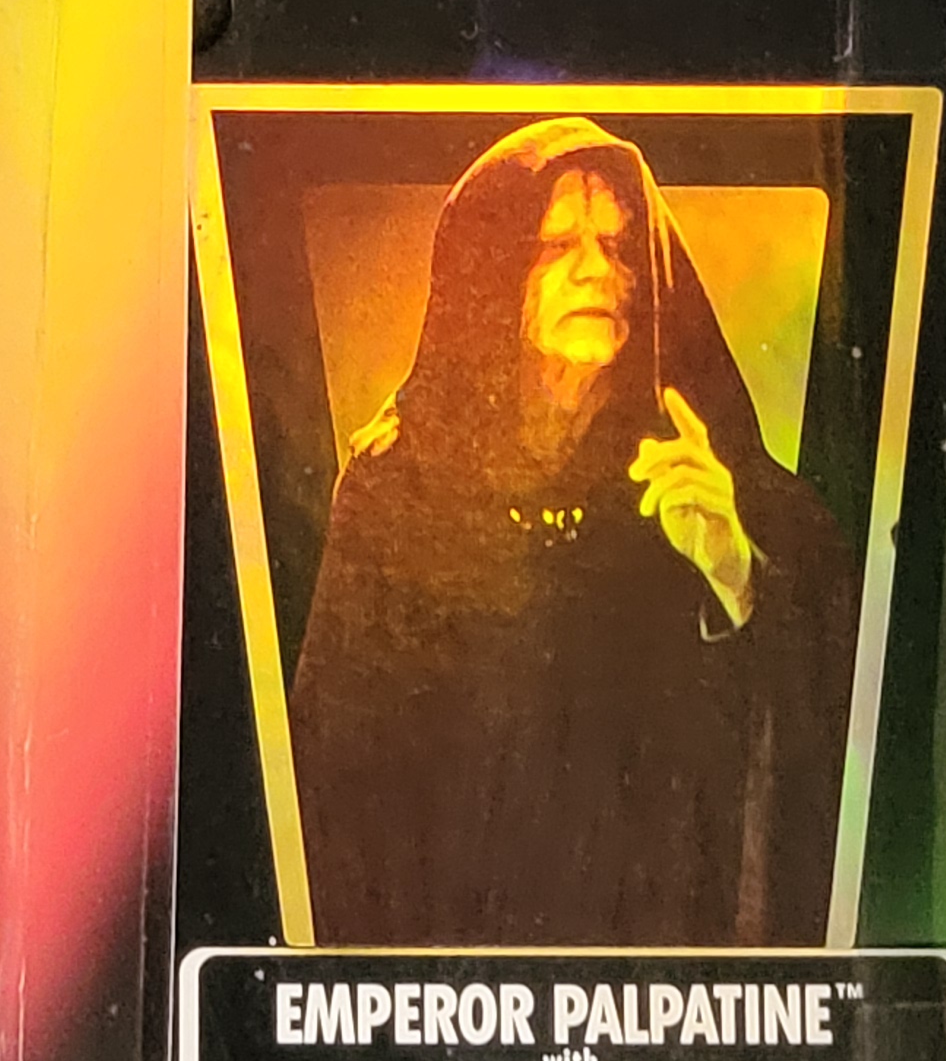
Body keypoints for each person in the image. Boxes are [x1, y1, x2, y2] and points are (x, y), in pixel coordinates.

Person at [284, 117, 857, 948]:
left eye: (620, 248)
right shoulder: (396, 485)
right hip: (455, 960)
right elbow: (334, 780)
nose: (600, 272)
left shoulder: (718, 481)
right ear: (489, 273)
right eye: (556, 246)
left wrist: (735, 573)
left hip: (662, 960)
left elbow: (829, 727)